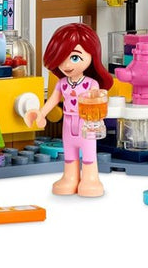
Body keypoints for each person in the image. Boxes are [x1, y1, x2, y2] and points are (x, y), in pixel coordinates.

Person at [26, 23, 113, 197]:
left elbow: (97, 99)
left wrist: (97, 104)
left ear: (92, 55)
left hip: (85, 122)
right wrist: (41, 113)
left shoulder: (91, 83)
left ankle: (90, 179)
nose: (66, 64)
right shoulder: (62, 83)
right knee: (70, 151)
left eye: (74, 57)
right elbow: (53, 100)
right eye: (61, 58)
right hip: (68, 122)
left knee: (88, 152)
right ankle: (70, 177)